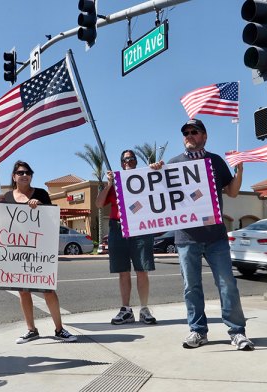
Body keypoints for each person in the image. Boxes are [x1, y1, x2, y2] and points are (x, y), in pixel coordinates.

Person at [151, 118, 253, 350]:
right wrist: (155, 172)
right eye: (185, 132)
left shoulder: (215, 161)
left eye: (194, 131)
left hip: (216, 236)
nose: (189, 135)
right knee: (191, 287)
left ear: (204, 136)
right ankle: (197, 331)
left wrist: (240, 169)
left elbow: (234, 192)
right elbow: (155, 193)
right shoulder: (173, 163)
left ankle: (237, 332)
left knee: (227, 284)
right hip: (186, 238)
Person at [0, 160, 77, 344]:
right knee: (23, 291)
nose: (24, 175)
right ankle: (31, 329)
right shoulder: (7, 197)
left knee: (47, 290)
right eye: (20, 172)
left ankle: (59, 329)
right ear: (14, 176)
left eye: (28, 172)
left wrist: (40, 206)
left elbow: (50, 219)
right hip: (17, 250)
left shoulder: (41, 193)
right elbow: (4, 225)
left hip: (39, 249)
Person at [95, 150, 157, 325]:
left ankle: (144, 309)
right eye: (125, 160)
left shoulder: (144, 179)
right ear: (121, 163)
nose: (128, 162)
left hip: (141, 227)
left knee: (142, 270)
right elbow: (99, 204)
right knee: (123, 271)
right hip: (118, 228)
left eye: (131, 159)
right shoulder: (115, 183)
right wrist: (108, 185)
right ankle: (126, 310)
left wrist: (155, 170)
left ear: (136, 162)